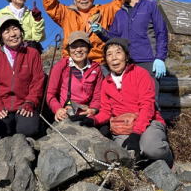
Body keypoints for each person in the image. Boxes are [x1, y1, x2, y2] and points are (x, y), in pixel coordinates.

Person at [72, 38, 172, 166]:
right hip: (123, 126)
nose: (114, 57)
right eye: (109, 54)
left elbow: (147, 106)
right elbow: (106, 111)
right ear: (106, 60)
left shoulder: (141, 74)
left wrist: (136, 133)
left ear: (126, 57)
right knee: (122, 157)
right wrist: (93, 120)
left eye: (118, 52)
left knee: (152, 149)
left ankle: (168, 158)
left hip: (148, 122)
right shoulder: (106, 83)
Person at [91, 0, 168, 97]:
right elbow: (114, 39)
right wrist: (101, 31)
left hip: (148, 62)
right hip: (127, 65)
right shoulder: (119, 14)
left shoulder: (151, 6)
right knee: (131, 102)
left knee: (150, 101)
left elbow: (161, 32)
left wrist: (160, 58)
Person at [42, 0, 122, 64]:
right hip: (72, 62)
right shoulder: (66, 14)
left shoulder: (104, 11)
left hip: (98, 63)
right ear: (74, 0)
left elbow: (122, 2)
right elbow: (49, 4)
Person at [0, 17, 45, 138]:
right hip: (3, 107)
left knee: (28, 130)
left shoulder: (32, 53)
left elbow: (37, 82)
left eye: (15, 29)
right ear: (1, 37)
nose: (12, 34)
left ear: (21, 32)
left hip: (24, 105)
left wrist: (30, 103)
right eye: (7, 31)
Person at [46, 31, 103, 122]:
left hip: (88, 112)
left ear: (88, 48)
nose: (78, 49)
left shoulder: (96, 68)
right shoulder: (60, 66)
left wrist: (93, 109)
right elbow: (50, 94)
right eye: (74, 46)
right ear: (69, 50)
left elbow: (97, 95)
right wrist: (58, 109)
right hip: (66, 113)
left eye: (82, 46)